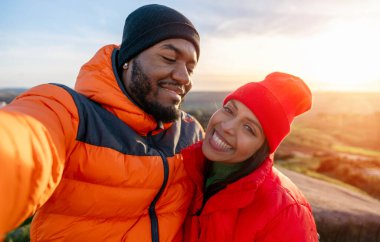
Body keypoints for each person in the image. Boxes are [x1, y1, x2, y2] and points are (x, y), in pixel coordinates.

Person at [0, 4, 204, 242]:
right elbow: (22, 143)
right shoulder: (71, 113)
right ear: (129, 58)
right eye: (169, 58)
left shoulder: (191, 133)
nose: (184, 77)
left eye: (190, 68)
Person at [182, 72, 319, 242]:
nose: (227, 127)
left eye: (249, 128)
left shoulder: (286, 214)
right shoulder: (184, 168)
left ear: (263, 147)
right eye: (229, 110)